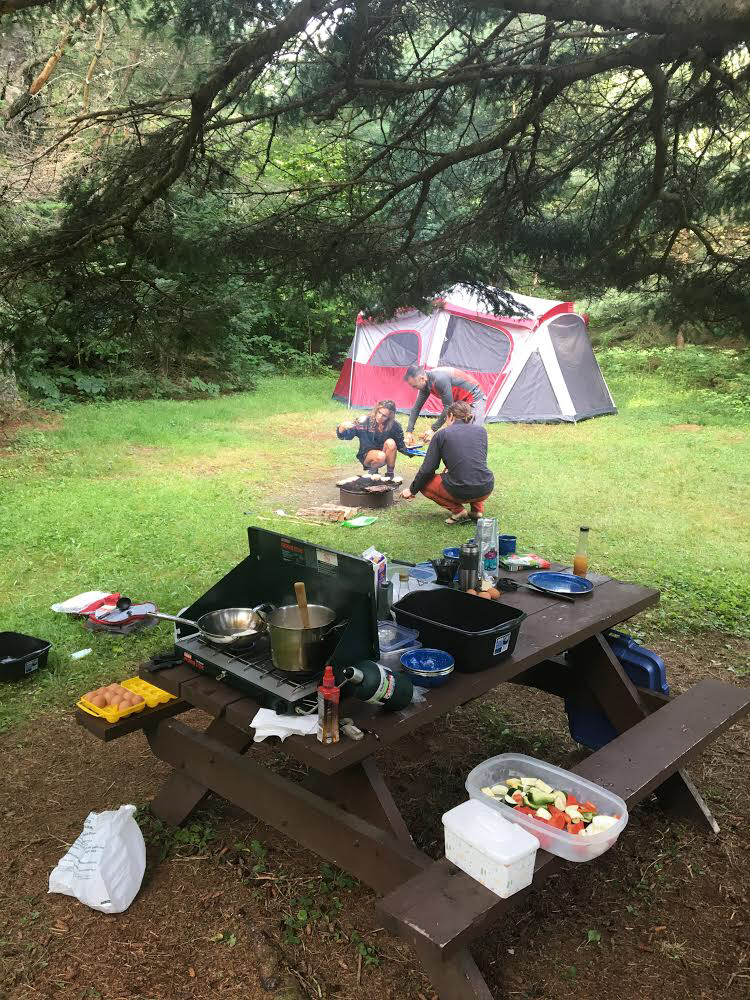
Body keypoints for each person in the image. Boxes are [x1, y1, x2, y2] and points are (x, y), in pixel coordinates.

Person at [400, 401, 493, 524]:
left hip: (461, 489)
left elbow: (427, 470)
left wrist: (412, 490)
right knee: (474, 472)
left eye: (446, 418)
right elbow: (476, 460)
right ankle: (477, 511)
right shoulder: (481, 431)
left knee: (425, 483)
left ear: (451, 416)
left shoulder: (442, 434)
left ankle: (458, 511)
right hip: (486, 487)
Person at [403, 364, 486, 443]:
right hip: (461, 402)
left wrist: (432, 429)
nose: (414, 389)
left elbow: (448, 407)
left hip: (475, 397)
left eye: (414, 386)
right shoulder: (425, 384)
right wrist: (409, 432)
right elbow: (416, 408)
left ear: (422, 379)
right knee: (457, 433)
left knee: (474, 432)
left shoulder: (439, 380)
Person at [336, 399, 410, 477]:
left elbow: (401, 446)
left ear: (390, 416)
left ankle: (389, 475)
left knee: (391, 443)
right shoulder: (365, 421)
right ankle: (373, 472)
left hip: (385, 455)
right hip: (367, 455)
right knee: (381, 456)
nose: (380, 417)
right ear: (376, 410)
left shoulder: (395, 426)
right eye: (379, 413)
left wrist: (414, 450)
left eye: (384, 416)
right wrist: (341, 428)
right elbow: (349, 435)